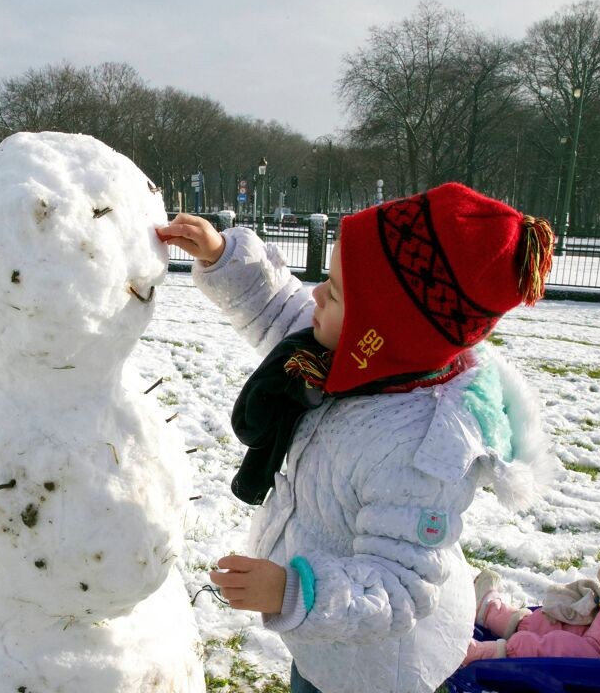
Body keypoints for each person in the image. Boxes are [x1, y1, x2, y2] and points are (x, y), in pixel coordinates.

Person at [156, 182, 558, 693]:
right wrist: (221, 256)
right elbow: (284, 310)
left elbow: (402, 586)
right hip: (325, 632)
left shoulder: (421, 451)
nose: (317, 295)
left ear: (383, 330)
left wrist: (293, 591)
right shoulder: (357, 358)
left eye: (337, 291)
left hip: (378, 666)